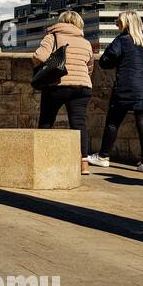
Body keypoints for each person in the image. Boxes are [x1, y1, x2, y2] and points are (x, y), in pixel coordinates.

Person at [87, 11, 143, 173]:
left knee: (113, 122)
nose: (116, 25)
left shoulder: (122, 40)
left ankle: (103, 156)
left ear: (126, 23)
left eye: (118, 22)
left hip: (126, 88)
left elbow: (106, 61)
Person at [32, 10, 96, 174]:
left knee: (46, 121)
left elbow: (39, 56)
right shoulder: (85, 42)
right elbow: (89, 67)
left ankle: (42, 159)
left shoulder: (52, 36)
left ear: (61, 21)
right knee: (79, 125)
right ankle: (83, 164)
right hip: (82, 87)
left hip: (57, 85)